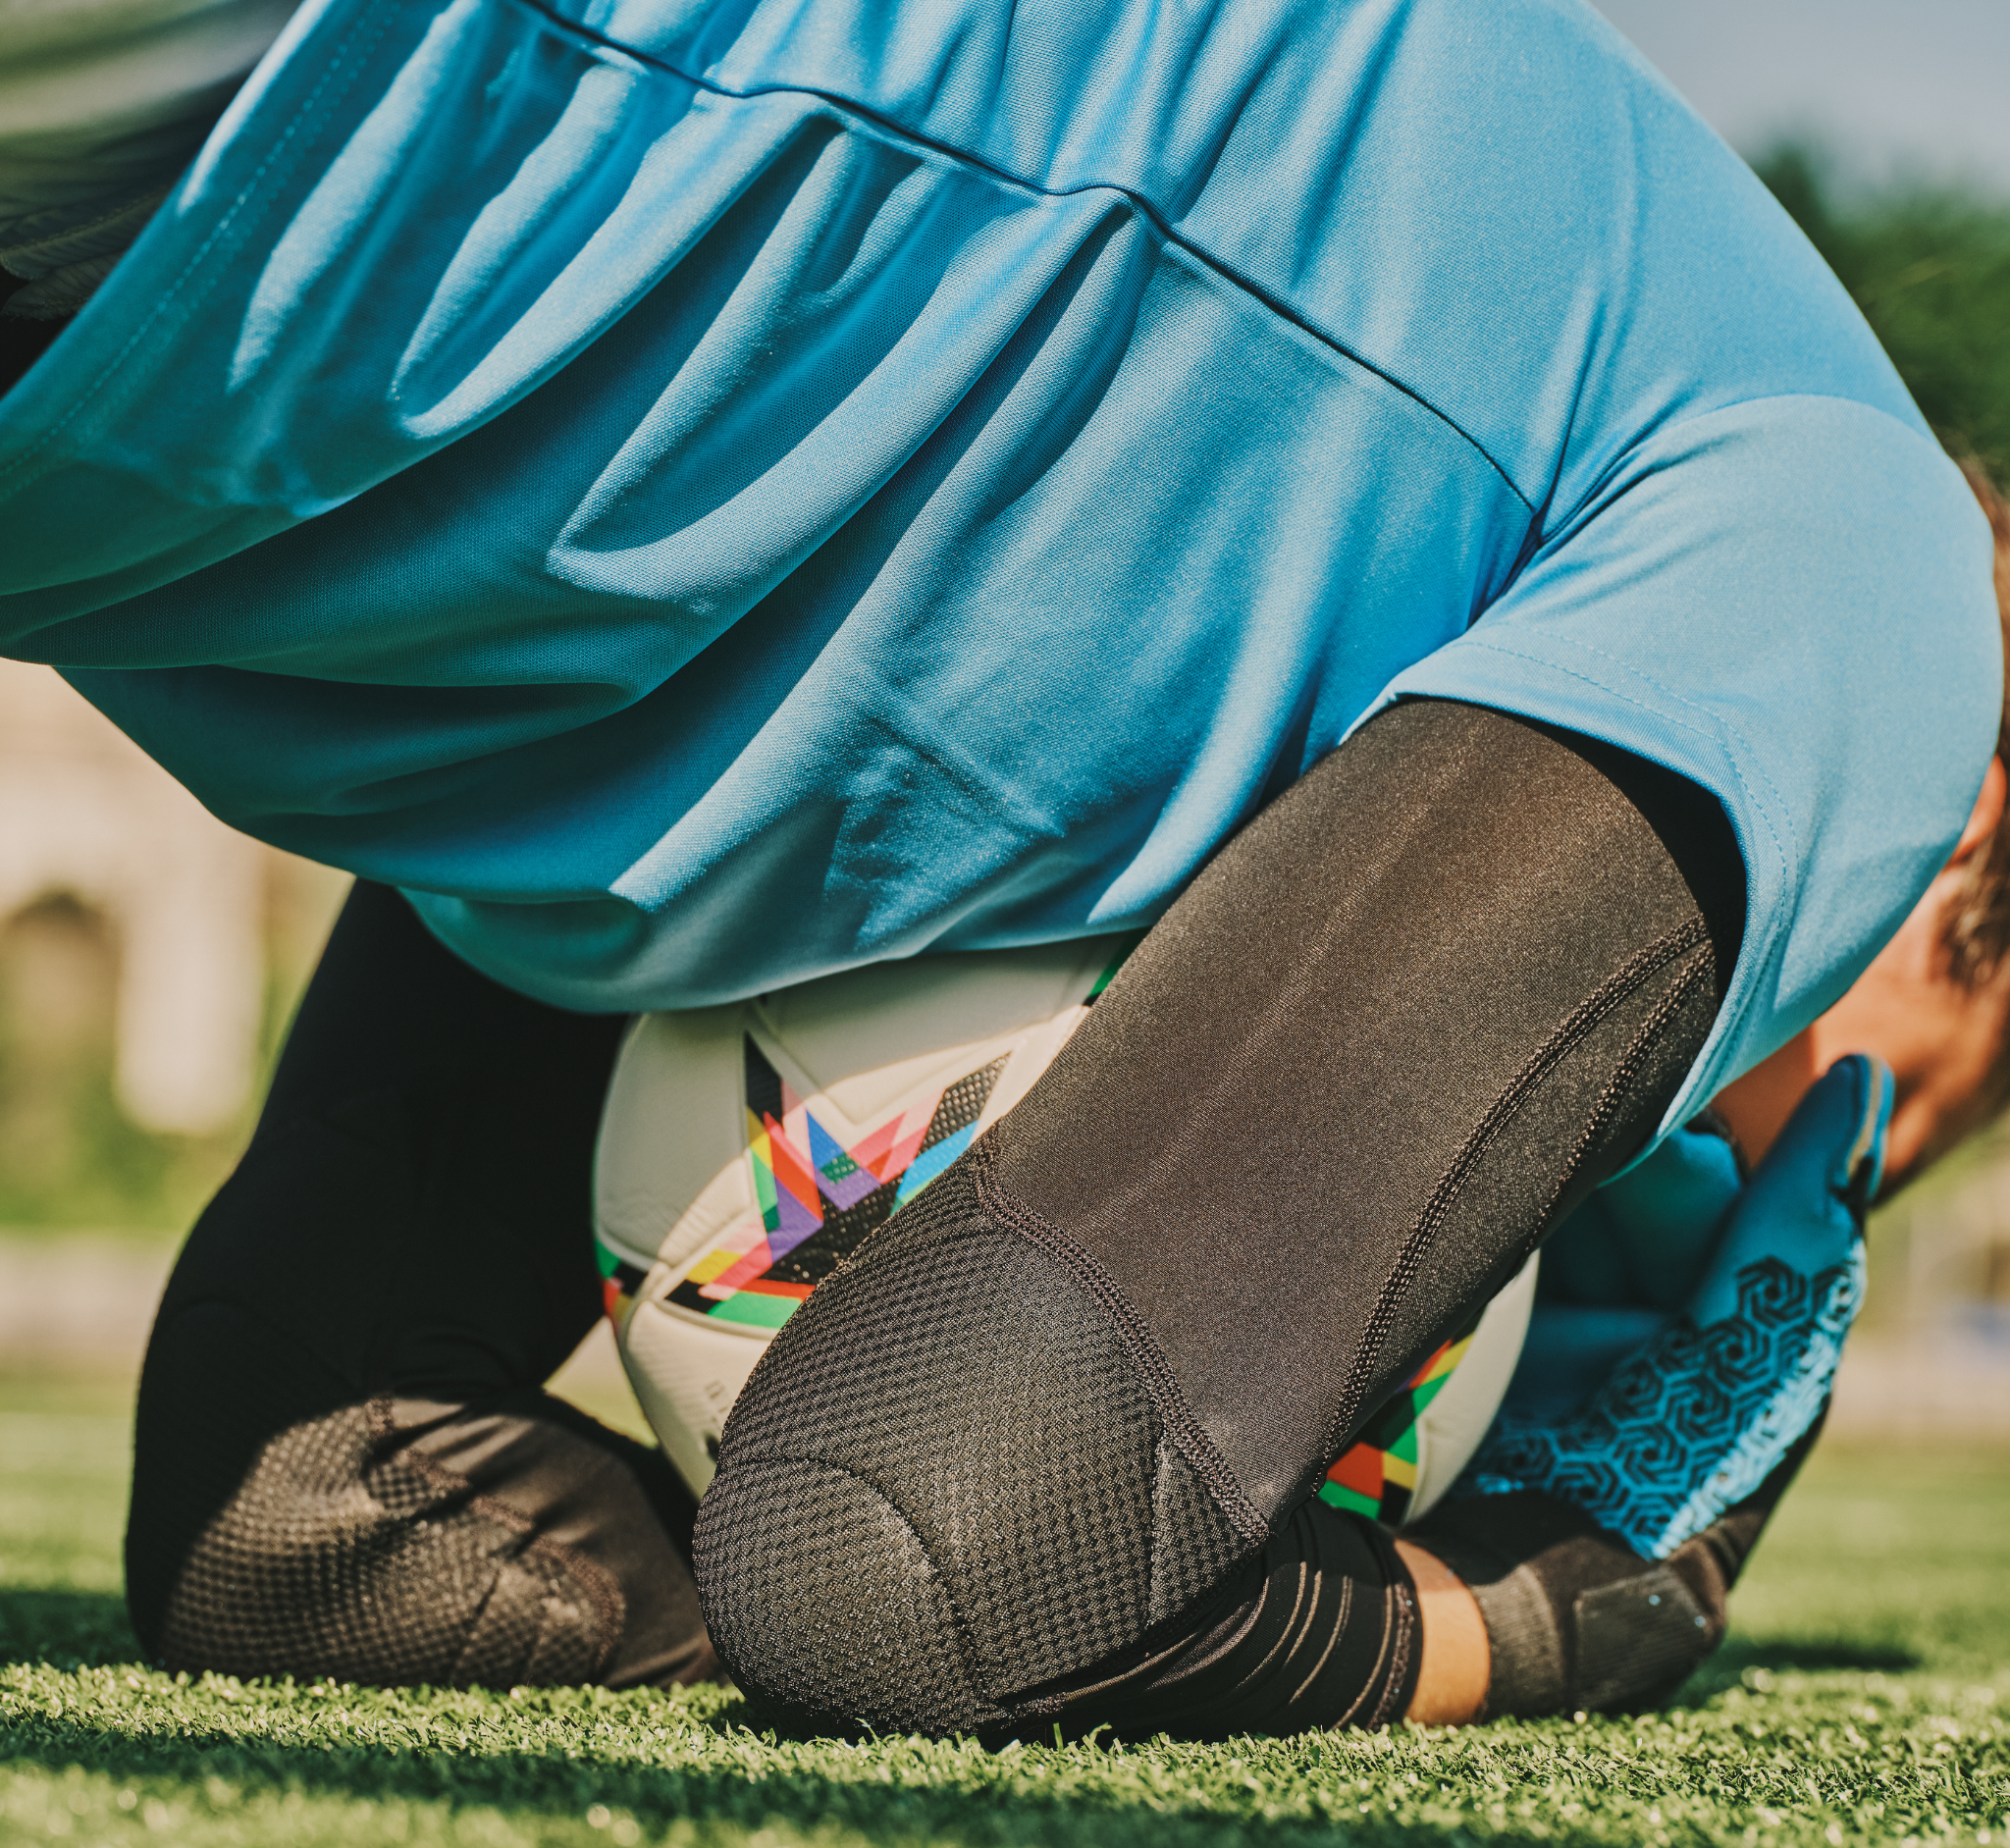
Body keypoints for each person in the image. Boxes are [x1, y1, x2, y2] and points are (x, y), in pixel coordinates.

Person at [1, 0, 2003, 1732]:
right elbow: (926, 1554)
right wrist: (1560, 1601)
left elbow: (309, 1514)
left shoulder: (1145, 651)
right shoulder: (1887, 607)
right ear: (1960, 874)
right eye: (1881, 1143)